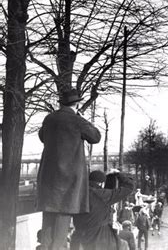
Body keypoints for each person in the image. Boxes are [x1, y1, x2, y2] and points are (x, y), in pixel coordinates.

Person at [37, 89, 101, 250]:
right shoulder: (77, 120)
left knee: (48, 221)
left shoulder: (49, 118)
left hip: (48, 178)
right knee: (61, 225)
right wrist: (82, 118)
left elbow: (42, 137)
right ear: (77, 103)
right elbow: (95, 137)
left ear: (61, 102)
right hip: (68, 181)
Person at [71, 170, 134, 250]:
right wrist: (118, 174)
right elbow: (128, 188)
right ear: (101, 183)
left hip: (78, 239)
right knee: (124, 245)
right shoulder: (103, 195)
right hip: (100, 238)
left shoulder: (77, 194)